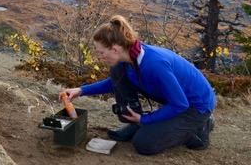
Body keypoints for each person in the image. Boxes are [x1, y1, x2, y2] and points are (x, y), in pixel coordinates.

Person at [60, 15, 216, 155]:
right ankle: (137, 124)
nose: (99, 56)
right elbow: (115, 82)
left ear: (114, 49)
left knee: (144, 144)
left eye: (101, 52)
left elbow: (180, 104)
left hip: (196, 107)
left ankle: (199, 128)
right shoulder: (130, 58)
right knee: (117, 71)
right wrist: (81, 90)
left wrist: (144, 120)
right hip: (177, 100)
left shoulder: (154, 64)